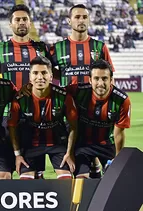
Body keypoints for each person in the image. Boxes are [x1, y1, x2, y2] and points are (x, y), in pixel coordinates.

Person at [50, 4, 115, 178]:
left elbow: (110, 77)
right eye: (77, 17)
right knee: (76, 161)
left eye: (84, 17)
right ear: (69, 20)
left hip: (94, 113)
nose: (81, 20)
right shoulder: (57, 48)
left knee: (93, 155)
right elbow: (48, 71)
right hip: (67, 112)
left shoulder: (99, 47)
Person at [0, 4, 51, 179]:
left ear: (29, 22)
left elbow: (49, 77)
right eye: (17, 19)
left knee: (34, 172)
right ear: (10, 24)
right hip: (6, 115)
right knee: (5, 171)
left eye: (25, 19)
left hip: (34, 118)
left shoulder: (41, 48)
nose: (21, 23)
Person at [8, 56, 77, 180]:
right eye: (35, 73)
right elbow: (12, 127)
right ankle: (38, 175)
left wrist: (69, 152)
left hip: (57, 144)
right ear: (30, 76)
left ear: (51, 75)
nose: (40, 77)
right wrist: (17, 155)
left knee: (66, 182)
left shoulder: (64, 97)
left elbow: (73, 126)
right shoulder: (20, 99)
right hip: (31, 145)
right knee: (26, 184)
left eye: (44, 73)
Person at [67, 59, 131, 178]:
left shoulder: (121, 100)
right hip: (83, 145)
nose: (100, 83)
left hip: (106, 144)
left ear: (111, 80)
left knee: (113, 180)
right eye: (96, 78)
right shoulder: (78, 91)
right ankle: (94, 169)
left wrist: (118, 159)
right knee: (82, 181)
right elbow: (53, 92)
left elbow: (118, 133)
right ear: (90, 80)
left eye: (105, 78)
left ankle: (98, 170)